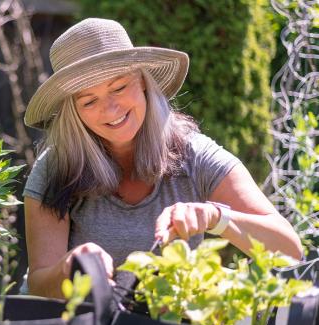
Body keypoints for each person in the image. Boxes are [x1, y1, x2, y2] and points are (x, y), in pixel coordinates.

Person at [22, 18, 302, 299]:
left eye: (119, 87)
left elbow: (289, 250)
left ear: (143, 81)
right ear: (74, 112)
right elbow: (38, 284)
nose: (110, 109)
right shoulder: (56, 168)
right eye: (89, 101)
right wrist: (70, 268)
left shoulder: (195, 155)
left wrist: (215, 217)